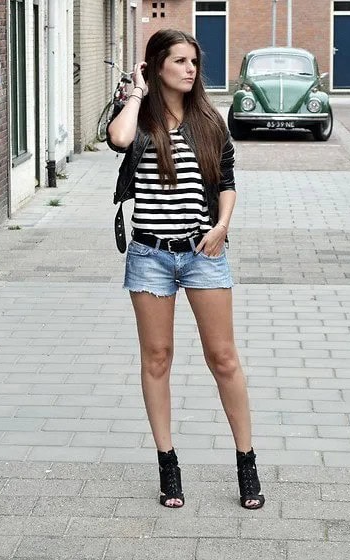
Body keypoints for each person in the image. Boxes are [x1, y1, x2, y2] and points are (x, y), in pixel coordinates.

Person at [107, 29, 265, 510]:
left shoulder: (209, 120)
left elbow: (228, 181)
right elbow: (118, 139)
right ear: (156, 66)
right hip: (150, 257)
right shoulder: (140, 116)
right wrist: (138, 90)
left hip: (203, 255)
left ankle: (246, 461)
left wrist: (221, 225)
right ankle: (168, 464)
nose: (190, 69)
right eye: (178, 61)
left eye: (193, 61)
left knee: (224, 358)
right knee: (157, 359)